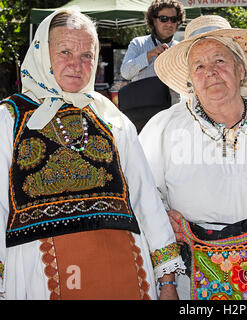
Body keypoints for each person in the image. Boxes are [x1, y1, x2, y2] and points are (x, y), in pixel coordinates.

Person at [0, 9, 184, 300]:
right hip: (39, 274)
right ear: (41, 53)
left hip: (123, 267)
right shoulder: (9, 118)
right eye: (65, 51)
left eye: (87, 54)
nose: (77, 64)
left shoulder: (110, 117)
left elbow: (144, 196)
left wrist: (168, 280)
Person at [139, 15, 247, 300]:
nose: (210, 72)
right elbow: (146, 197)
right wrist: (166, 279)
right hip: (193, 274)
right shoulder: (163, 128)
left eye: (219, 60)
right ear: (189, 79)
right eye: (199, 65)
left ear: (240, 68)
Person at [120, 0, 185, 132]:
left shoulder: (181, 48)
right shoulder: (138, 43)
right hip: (143, 114)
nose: (169, 23)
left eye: (174, 19)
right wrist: (149, 55)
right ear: (153, 20)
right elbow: (126, 73)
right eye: (164, 19)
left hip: (173, 115)